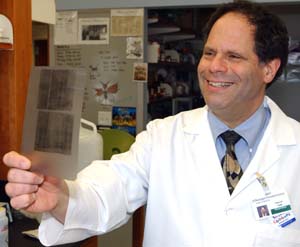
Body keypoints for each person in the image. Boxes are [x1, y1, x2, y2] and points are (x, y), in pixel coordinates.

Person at [3, 1, 300, 246]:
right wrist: (61, 197)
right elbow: (109, 189)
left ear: (268, 69)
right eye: (209, 52)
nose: (214, 66)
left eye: (233, 56)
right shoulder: (163, 137)